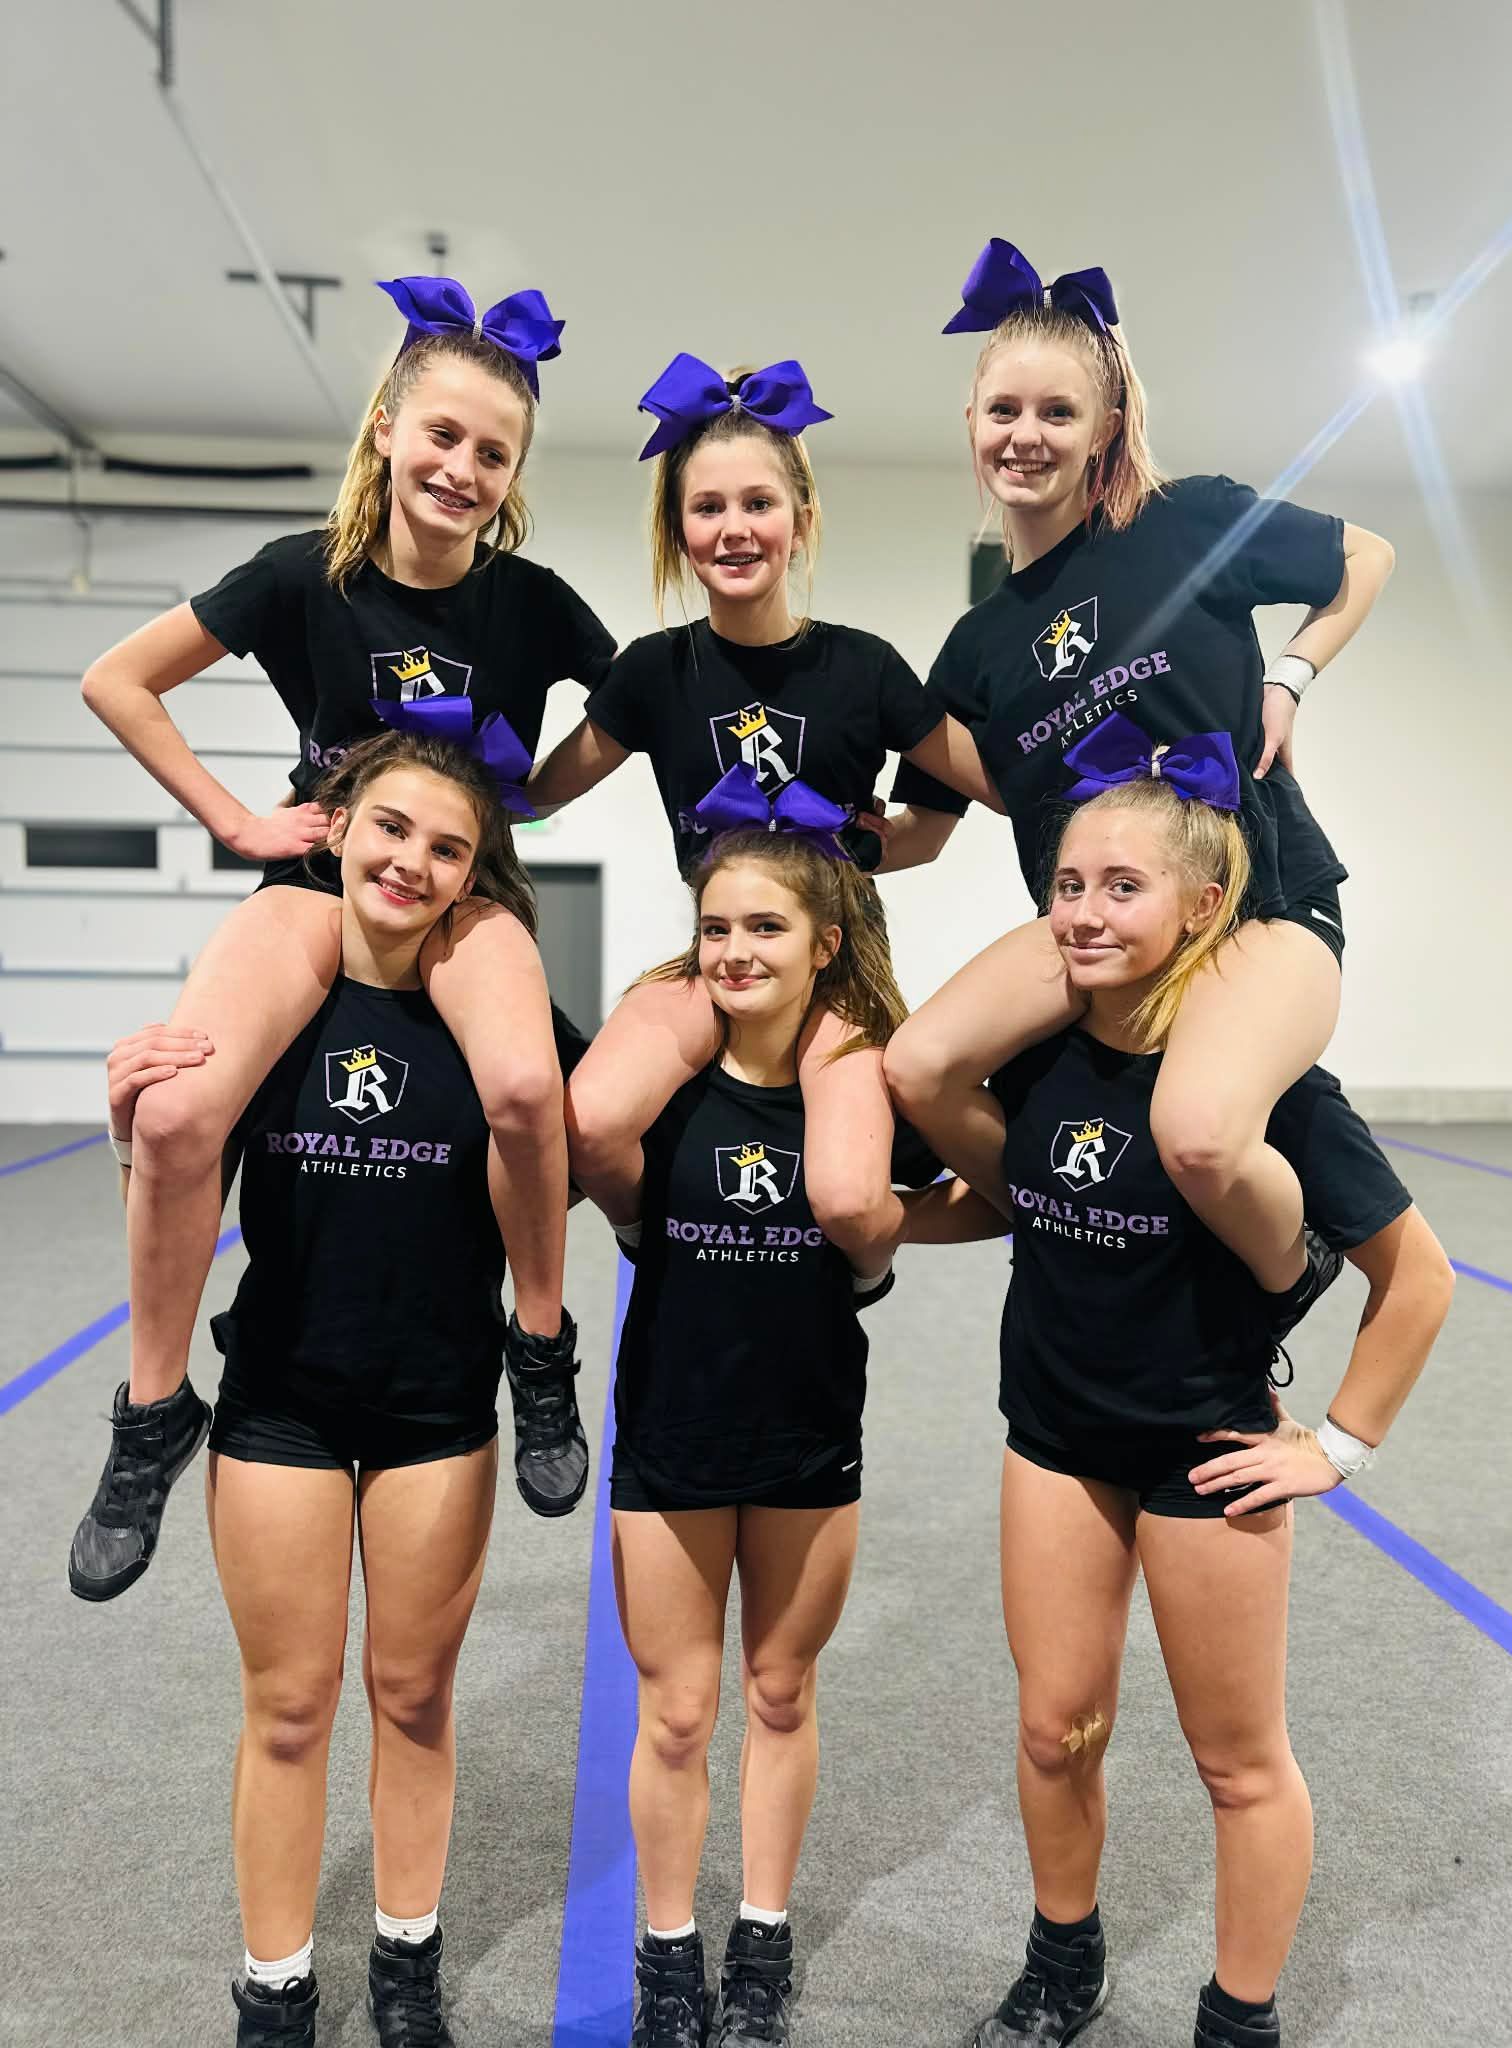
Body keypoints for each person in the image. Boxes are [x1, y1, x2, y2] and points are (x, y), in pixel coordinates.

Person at [70, 276, 614, 1603]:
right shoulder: (301, 576)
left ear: (513, 473)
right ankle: (153, 1408)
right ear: (387, 428)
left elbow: (643, 704)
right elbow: (116, 680)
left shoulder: (529, 604)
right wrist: (236, 825)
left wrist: (531, 793)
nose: (462, 468)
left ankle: (536, 1348)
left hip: (466, 887)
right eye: (442, 435)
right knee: (186, 1113)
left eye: (494, 452)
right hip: (321, 874)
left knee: (527, 1085)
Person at [898, 760, 1454, 2047]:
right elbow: (1010, 1195)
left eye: (1123, 887)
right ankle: (1062, 1959)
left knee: (1236, 1758)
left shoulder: (1270, 1099)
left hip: (1208, 1452)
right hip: (1054, 1437)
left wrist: (1341, 1443)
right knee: (1055, 1727)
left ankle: (1238, 2014)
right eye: (1068, 884)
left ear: (1204, 907)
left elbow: (1416, 1279)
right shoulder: (1033, 1062)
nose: (1085, 911)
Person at [102, 726, 589, 2046]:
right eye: (392, 830)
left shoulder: (500, 1022)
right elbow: (177, 1168)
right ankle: (275, 1988)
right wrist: (124, 1123)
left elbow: (576, 1143)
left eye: (448, 846)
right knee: (290, 1702)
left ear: (475, 872)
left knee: (415, 1694)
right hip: (282, 1399)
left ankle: (408, 1963)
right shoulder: (275, 1000)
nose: (413, 861)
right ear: (336, 828)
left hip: (437, 1403)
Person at [883, 236, 1398, 1317]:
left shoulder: (1185, 522)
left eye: (1058, 413)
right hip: (1101, 925)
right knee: (921, 1066)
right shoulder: (974, 649)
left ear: (1106, 425)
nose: (1026, 436)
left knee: (1200, 1133)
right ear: (972, 424)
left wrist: (1292, 678)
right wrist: (802, 827)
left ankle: (1287, 1268)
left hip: (1254, 898)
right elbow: (922, 830)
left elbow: (1366, 556)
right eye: (1004, 410)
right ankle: (1046, 1210)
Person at [524, 351, 997, 1289]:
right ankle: (640, 1236)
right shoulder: (655, 672)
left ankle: (862, 1277)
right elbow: (532, 796)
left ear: (800, 521)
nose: (734, 529)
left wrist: (858, 845)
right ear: (678, 527)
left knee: (851, 1201)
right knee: (592, 1123)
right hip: (722, 953)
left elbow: (981, 797)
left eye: (758, 504)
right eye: (708, 508)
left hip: (838, 963)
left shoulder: (862, 667)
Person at [584, 823, 932, 2048]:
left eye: (766, 926)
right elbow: (567, 1141)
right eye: (716, 927)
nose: (734, 950)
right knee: (676, 1711)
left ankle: (763, 1934)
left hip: (807, 1433)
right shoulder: (662, 1083)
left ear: (827, 942)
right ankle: (669, 1951)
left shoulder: (869, 1087)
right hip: (673, 1429)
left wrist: (882, 1249)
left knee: (780, 1690)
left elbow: (961, 1190)